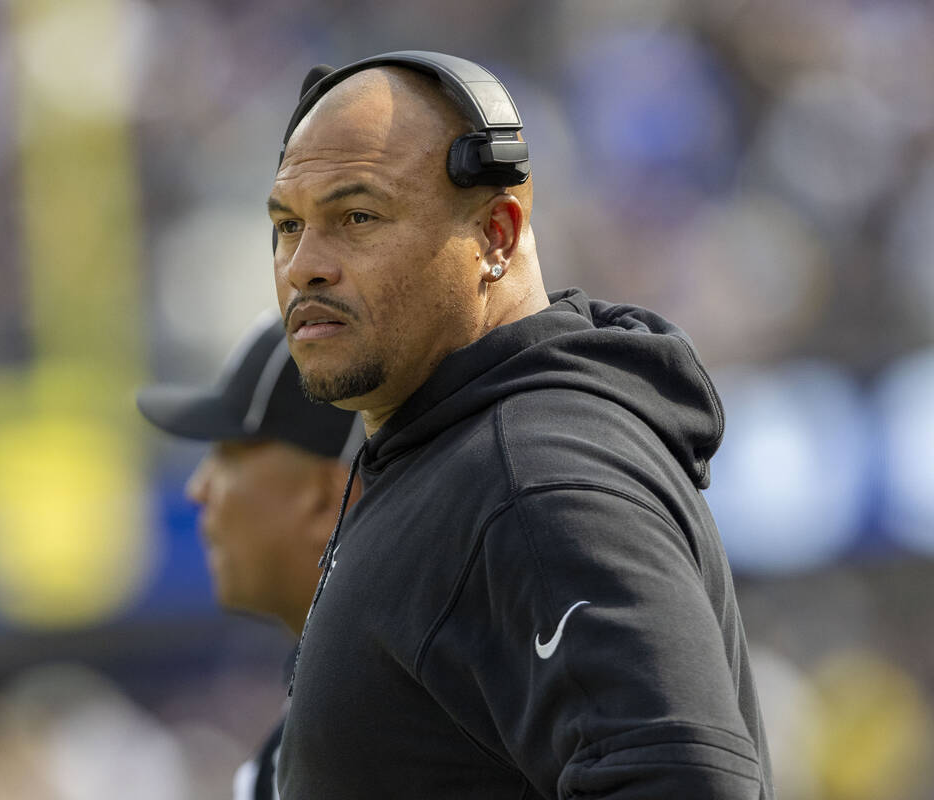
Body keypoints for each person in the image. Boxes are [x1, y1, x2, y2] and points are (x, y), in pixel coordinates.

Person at [267, 51, 775, 799]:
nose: (303, 265)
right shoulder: (450, 456)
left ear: (497, 235)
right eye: (287, 225)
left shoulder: (536, 482)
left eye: (357, 216)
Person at [137, 310, 362, 800]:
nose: (198, 488)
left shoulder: (409, 719)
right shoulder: (319, 723)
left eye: (229, 454)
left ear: (327, 495)